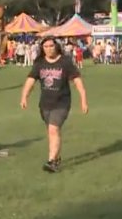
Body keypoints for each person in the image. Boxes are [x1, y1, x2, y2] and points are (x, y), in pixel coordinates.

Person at [20, 36, 88, 173]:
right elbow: (31, 80)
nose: (49, 49)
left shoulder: (65, 62)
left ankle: (51, 161)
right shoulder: (39, 63)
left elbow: (77, 81)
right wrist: (24, 96)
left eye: (51, 46)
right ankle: (56, 158)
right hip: (45, 104)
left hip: (62, 102)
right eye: (46, 47)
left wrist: (83, 100)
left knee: (53, 129)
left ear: (56, 46)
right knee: (51, 132)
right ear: (42, 48)